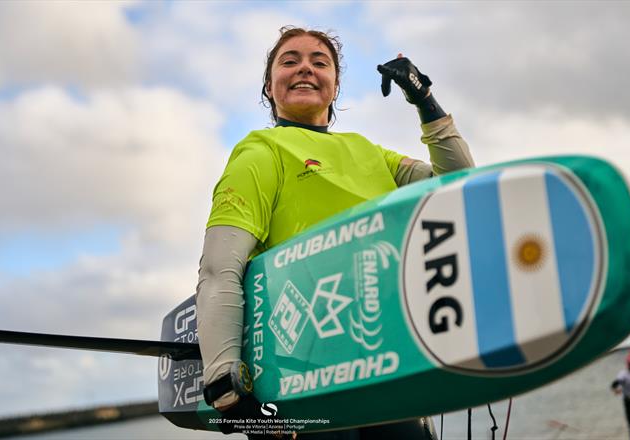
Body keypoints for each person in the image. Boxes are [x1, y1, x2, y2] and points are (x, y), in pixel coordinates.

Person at [196, 26, 474, 438]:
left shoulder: (369, 153)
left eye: (319, 62)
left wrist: (425, 100)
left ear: (335, 85)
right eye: (289, 61)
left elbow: (460, 188)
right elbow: (220, 270)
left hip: (384, 365)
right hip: (300, 380)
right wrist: (225, 383)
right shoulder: (260, 153)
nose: (305, 68)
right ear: (269, 88)